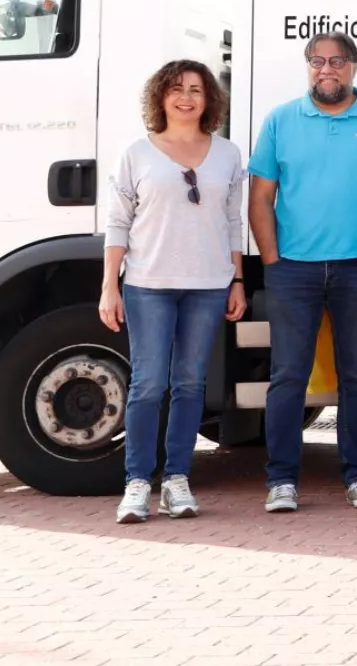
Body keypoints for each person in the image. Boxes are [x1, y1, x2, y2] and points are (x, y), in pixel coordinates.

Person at [249, 33, 357, 513]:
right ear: (307, 66)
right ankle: (281, 480)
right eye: (316, 60)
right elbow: (260, 197)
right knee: (288, 376)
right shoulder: (280, 120)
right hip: (292, 270)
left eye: (337, 60)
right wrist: (272, 260)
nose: (326, 69)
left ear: (353, 66)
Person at [100, 60, 248, 523]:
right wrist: (109, 286)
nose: (186, 97)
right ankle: (137, 483)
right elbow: (118, 223)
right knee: (148, 385)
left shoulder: (227, 154)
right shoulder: (136, 153)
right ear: (161, 97)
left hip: (208, 284)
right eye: (177, 89)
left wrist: (237, 280)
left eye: (196, 90)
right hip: (148, 284)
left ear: (210, 100)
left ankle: (177, 480)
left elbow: (232, 222)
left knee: (190, 384)